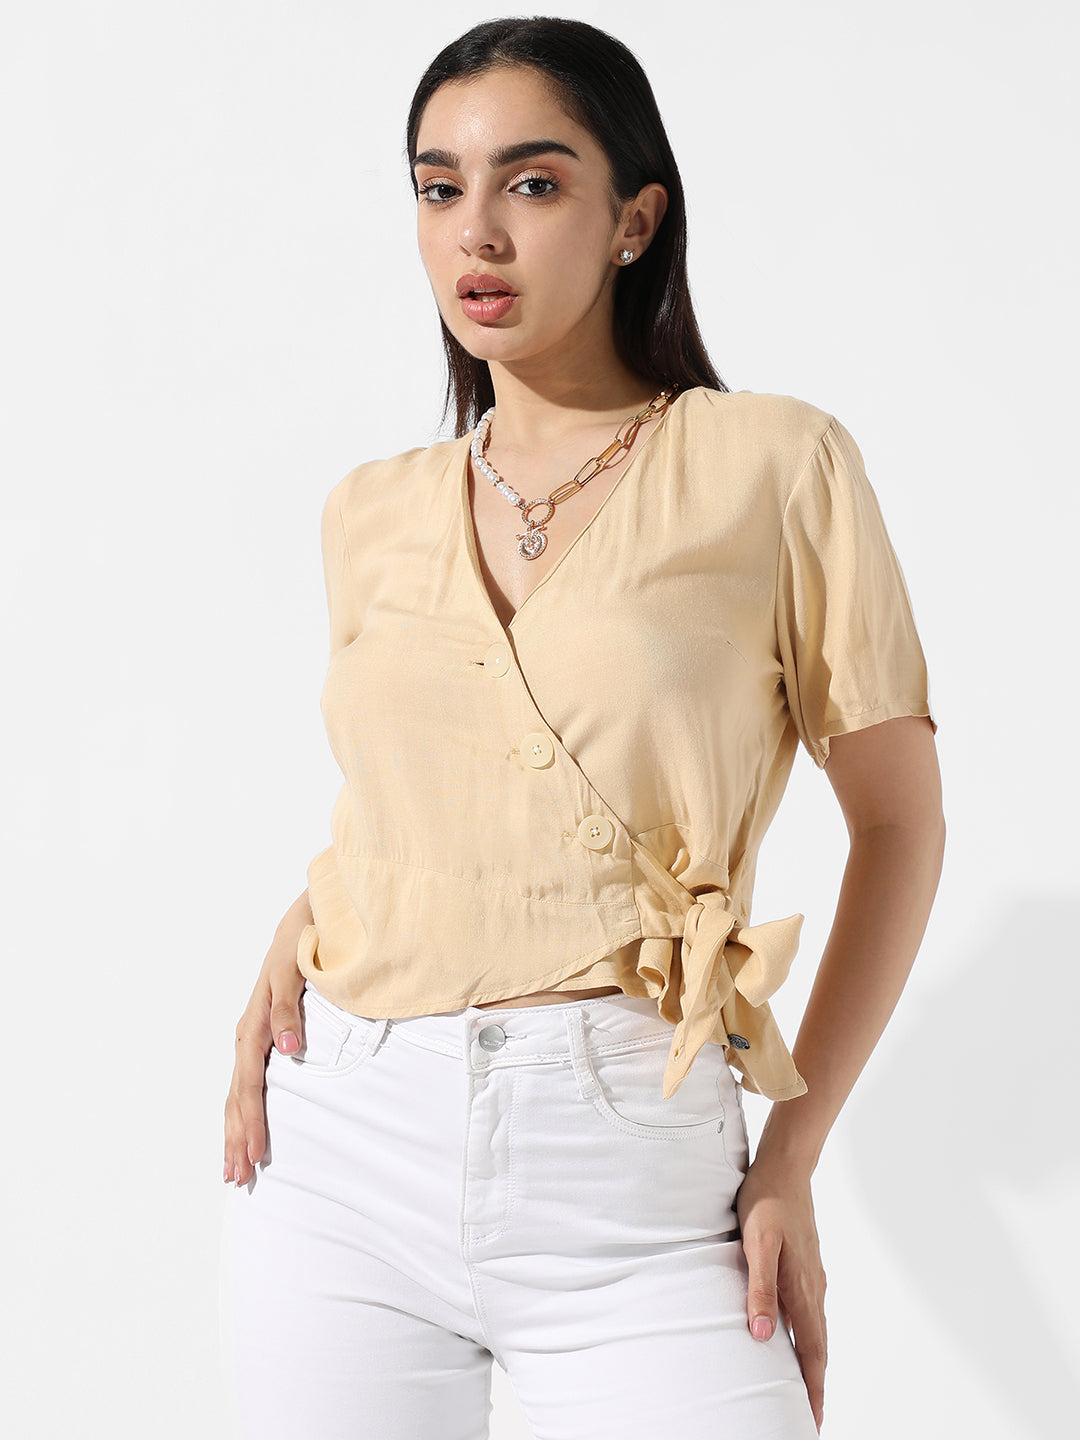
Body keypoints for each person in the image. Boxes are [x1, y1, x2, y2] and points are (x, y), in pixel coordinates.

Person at [220, 16, 944, 1440]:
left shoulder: (773, 463)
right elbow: (425, 800)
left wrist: (793, 1151)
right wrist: (291, 940)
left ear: (634, 220)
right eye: (439, 188)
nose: (477, 232)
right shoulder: (370, 509)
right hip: (343, 1141)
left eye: (533, 183)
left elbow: (900, 823)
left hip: (635, 1160)